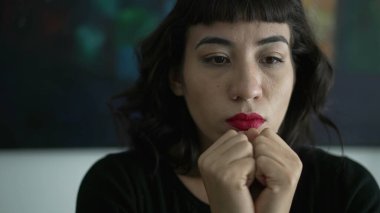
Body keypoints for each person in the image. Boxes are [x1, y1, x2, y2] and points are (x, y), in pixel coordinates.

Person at [76, 0, 380, 212]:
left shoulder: (348, 190)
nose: (247, 88)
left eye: (271, 59)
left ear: (297, 73)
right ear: (176, 77)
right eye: (217, 59)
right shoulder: (118, 188)